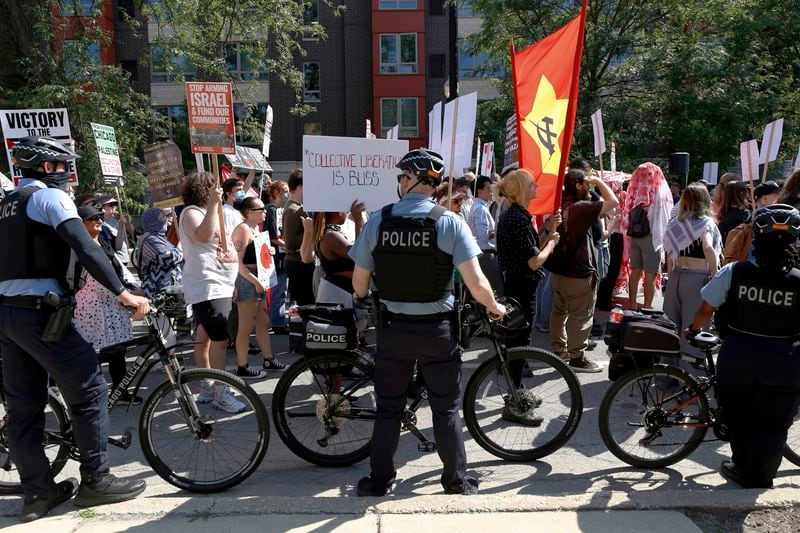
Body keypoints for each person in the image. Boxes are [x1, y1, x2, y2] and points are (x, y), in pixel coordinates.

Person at [0, 137, 148, 521]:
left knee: (23, 407)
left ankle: (37, 494)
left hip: (8, 316)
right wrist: (122, 293)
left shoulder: (5, 205)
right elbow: (86, 246)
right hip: (40, 313)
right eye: (65, 166)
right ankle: (96, 481)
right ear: (47, 168)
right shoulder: (50, 199)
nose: (69, 175)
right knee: (90, 387)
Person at [349, 148, 506, 497]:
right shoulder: (449, 222)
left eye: (401, 177)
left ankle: (378, 483)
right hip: (437, 331)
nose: (399, 183)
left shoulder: (378, 220)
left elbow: (359, 285)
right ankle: (455, 481)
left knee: (388, 410)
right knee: (446, 408)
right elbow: (477, 284)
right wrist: (495, 308)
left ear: (411, 180)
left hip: (393, 331)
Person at [686, 204, 800, 488]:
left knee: (738, 416)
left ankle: (742, 465)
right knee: (774, 423)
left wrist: (693, 329)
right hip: (785, 361)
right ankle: (760, 475)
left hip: (738, 357)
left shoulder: (734, 271)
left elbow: (705, 309)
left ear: (756, 239)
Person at [177, 171, 246, 413]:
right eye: (213, 189)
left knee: (204, 336)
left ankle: (207, 387)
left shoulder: (208, 213)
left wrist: (231, 281)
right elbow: (204, 235)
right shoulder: (191, 213)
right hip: (208, 286)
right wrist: (215, 204)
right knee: (220, 339)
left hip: (219, 284)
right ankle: (220, 391)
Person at [496, 169, 560, 414]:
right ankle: (515, 397)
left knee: (518, 340)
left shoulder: (515, 215)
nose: (536, 187)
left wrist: (546, 229)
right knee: (520, 341)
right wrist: (552, 242)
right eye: (532, 184)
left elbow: (529, 250)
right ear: (522, 189)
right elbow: (534, 261)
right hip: (522, 285)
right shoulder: (518, 218)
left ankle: (518, 390)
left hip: (517, 282)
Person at [547, 169, 619, 372]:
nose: (590, 187)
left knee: (559, 313)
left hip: (559, 269)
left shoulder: (559, 204)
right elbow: (613, 201)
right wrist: (599, 181)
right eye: (586, 183)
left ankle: (559, 350)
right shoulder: (581, 207)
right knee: (581, 315)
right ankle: (577, 357)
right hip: (578, 273)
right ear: (578, 185)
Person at [72, 205, 144, 405]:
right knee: (95, 354)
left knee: (118, 351)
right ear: (81, 223)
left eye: (100, 217)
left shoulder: (103, 243)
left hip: (114, 306)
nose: (99, 220)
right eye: (93, 217)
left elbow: (118, 270)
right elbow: (96, 281)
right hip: (93, 308)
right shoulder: (80, 247)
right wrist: (128, 295)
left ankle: (120, 391)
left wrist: (133, 289)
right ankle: (93, 396)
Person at [662, 183, 722, 361]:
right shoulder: (706, 222)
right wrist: (715, 273)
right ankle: (689, 380)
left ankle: (667, 376)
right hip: (697, 278)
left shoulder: (675, 222)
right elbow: (708, 247)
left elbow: (669, 254)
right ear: (705, 200)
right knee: (693, 329)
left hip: (676, 276)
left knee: (671, 327)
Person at [231, 196, 285, 378]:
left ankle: (268, 359)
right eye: (260, 209)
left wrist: (268, 252)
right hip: (248, 282)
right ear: (248, 212)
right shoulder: (243, 230)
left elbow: (256, 256)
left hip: (259, 279)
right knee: (246, 326)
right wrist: (254, 281)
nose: (264, 212)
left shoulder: (255, 229)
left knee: (263, 322)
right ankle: (242, 366)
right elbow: (236, 263)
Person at [622, 162, 673, 311]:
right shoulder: (659, 191)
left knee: (635, 271)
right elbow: (665, 217)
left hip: (635, 236)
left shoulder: (634, 190)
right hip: (651, 236)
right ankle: (647, 308)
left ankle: (631, 306)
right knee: (650, 273)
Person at [283, 169, 315, 306]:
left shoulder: (297, 207)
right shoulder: (293, 210)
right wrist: (310, 232)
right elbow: (289, 242)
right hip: (298, 264)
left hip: (301, 262)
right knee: (307, 304)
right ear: (300, 187)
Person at [468, 175, 504, 297]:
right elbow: (483, 236)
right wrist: (500, 230)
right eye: (488, 188)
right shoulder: (480, 209)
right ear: (479, 191)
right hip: (486, 255)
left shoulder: (481, 207)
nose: (491, 191)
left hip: (485, 254)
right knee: (497, 292)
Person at [137, 207, 183, 298]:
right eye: (163, 217)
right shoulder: (151, 240)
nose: (166, 219)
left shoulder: (159, 238)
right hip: (158, 290)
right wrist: (181, 246)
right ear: (153, 221)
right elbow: (169, 258)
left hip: (169, 288)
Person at [265, 180, 289, 334]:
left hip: (280, 254)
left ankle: (279, 320)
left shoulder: (278, 210)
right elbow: (273, 236)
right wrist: (290, 247)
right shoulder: (272, 210)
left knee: (281, 290)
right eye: (285, 191)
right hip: (276, 257)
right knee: (279, 291)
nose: (287, 194)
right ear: (276, 193)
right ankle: (278, 322)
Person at [97, 195, 134, 266]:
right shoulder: (102, 224)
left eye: (115, 205)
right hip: (116, 260)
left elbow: (130, 232)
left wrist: (126, 224)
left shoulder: (115, 220)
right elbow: (117, 246)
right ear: (101, 207)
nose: (114, 207)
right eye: (111, 205)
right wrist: (120, 228)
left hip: (124, 258)